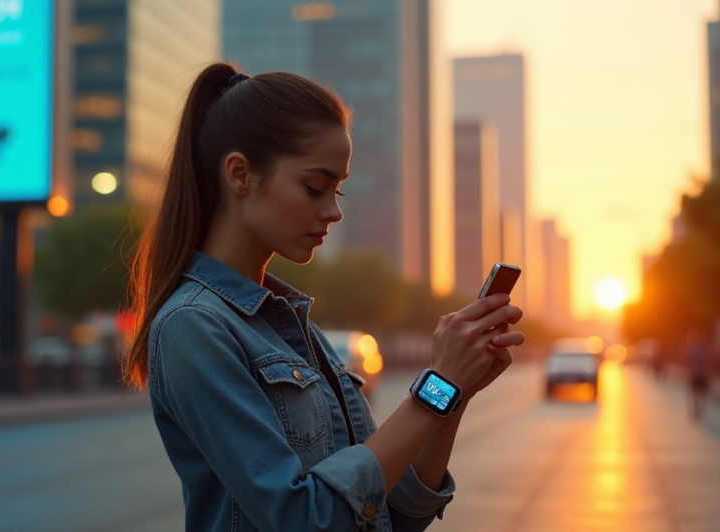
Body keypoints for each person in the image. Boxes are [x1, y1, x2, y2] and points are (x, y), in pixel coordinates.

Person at [124, 64, 525, 532]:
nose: (333, 211)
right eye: (315, 187)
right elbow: (304, 518)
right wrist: (437, 383)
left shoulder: (289, 325)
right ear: (239, 174)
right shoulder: (193, 326)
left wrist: (456, 391)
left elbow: (394, 512)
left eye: (338, 190)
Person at [685, 330, 711, 422]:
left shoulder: (703, 348)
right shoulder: (692, 348)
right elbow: (686, 361)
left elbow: (709, 362)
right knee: (695, 393)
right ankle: (696, 408)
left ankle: (700, 408)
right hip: (694, 374)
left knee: (701, 393)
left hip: (701, 374)